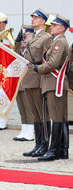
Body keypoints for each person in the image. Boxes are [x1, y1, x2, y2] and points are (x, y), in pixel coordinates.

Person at [31, 15, 70, 161]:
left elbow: (53, 63)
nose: (51, 27)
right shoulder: (56, 41)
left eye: (54, 25)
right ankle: (61, 150)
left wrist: (38, 68)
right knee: (58, 117)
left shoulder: (60, 42)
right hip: (51, 83)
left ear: (62, 28)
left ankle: (55, 150)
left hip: (55, 83)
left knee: (57, 117)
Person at [22, 8, 53, 158]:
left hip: (39, 79)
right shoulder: (30, 38)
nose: (33, 19)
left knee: (42, 114)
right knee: (35, 114)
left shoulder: (47, 38)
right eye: (32, 17)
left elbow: (47, 60)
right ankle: (37, 144)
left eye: (36, 18)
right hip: (28, 78)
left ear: (43, 21)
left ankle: (44, 145)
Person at [13, 25, 34, 141]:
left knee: (28, 107)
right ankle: (24, 129)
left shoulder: (32, 45)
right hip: (20, 78)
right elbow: (15, 54)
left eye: (28, 33)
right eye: (24, 34)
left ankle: (30, 131)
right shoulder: (22, 46)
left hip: (30, 78)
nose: (25, 36)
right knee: (22, 107)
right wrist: (17, 42)